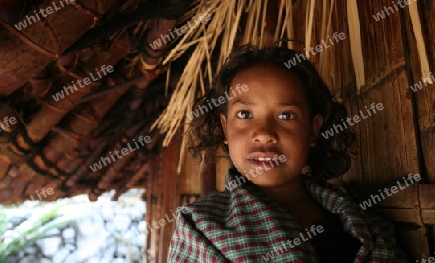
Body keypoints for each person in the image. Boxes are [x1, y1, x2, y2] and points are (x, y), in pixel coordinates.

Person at [168, 44, 408, 262]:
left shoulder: (368, 228)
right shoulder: (201, 227)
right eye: (244, 114)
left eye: (286, 115)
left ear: (313, 131)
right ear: (225, 129)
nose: (263, 133)